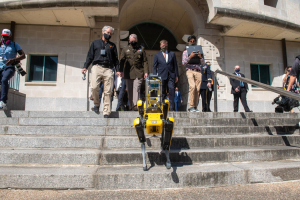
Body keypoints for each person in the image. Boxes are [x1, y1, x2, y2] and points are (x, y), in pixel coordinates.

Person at [82, 26, 121, 118]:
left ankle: (106, 111)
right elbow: (89, 56)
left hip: (108, 69)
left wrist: (118, 70)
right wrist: (85, 67)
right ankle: (96, 104)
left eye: (110, 34)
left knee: (108, 91)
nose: (109, 35)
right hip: (97, 67)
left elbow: (116, 59)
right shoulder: (95, 43)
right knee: (94, 87)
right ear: (103, 31)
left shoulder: (113, 45)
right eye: (107, 33)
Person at [119, 34, 148, 111]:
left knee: (137, 88)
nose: (133, 42)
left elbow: (145, 61)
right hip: (128, 73)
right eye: (131, 41)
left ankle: (135, 105)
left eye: (134, 41)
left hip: (139, 72)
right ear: (129, 41)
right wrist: (120, 70)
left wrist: (146, 72)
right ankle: (131, 106)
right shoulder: (125, 49)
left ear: (137, 41)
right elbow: (122, 61)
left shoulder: (141, 49)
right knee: (130, 90)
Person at [0, 29, 26, 110]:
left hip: (9, 67)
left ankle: (3, 101)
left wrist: (14, 60)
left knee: (4, 80)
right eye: (3, 36)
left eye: (6, 37)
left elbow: (23, 55)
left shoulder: (14, 45)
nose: (4, 38)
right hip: (0, 67)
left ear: (10, 37)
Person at [153, 40, 178, 111]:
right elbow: (154, 66)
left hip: (171, 75)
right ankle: (162, 107)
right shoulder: (157, 55)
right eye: (162, 45)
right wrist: (155, 76)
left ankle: (171, 108)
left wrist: (176, 75)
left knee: (171, 89)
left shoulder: (172, 54)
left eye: (165, 45)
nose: (164, 46)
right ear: (160, 46)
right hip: (161, 75)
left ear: (167, 45)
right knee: (162, 91)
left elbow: (175, 65)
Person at [182, 35, 205, 112]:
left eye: (193, 41)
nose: (192, 42)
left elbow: (203, 63)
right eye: (190, 41)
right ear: (188, 42)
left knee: (197, 89)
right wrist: (190, 57)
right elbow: (183, 63)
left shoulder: (200, 52)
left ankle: (195, 106)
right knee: (192, 87)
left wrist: (200, 57)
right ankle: (191, 106)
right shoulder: (185, 52)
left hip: (198, 71)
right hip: (190, 70)